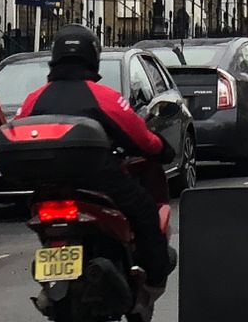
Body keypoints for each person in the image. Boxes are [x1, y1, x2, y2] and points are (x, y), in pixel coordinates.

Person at [15, 26, 176, 290]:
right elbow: (139, 136)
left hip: (47, 184)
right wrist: (162, 150)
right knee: (145, 210)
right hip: (97, 180)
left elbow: (18, 129)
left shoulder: (33, 99)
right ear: (92, 57)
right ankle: (154, 275)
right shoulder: (102, 97)